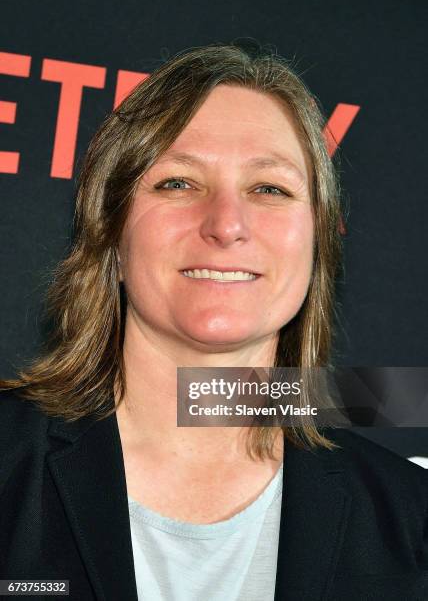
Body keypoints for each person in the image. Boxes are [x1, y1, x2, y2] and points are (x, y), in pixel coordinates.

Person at [0, 41, 427, 601]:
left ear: (317, 244)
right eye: (178, 182)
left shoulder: (411, 520)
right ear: (111, 234)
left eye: (269, 188)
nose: (227, 225)